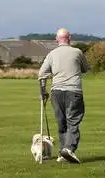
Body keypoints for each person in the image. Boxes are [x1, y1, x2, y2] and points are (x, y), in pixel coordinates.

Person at [38, 28, 90, 164]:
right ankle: (68, 148)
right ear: (70, 38)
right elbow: (85, 69)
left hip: (56, 92)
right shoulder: (77, 52)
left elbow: (41, 74)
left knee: (62, 123)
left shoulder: (51, 54)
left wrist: (43, 92)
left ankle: (63, 152)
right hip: (74, 91)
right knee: (73, 121)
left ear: (57, 40)